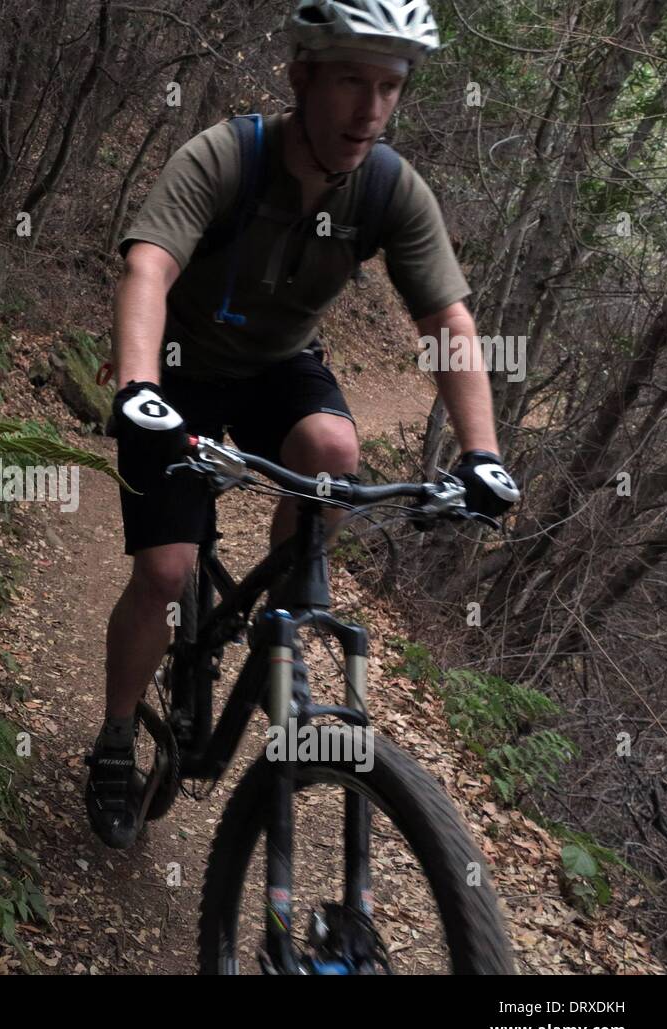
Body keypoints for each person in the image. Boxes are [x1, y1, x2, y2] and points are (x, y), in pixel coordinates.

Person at [86, 0, 521, 848]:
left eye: (389, 86)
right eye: (352, 80)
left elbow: (449, 324)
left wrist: (483, 454)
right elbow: (150, 265)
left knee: (334, 449)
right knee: (167, 570)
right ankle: (111, 741)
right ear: (301, 77)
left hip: (279, 366)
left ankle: (283, 615)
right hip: (180, 371)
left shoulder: (390, 187)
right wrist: (139, 388)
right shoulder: (226, 155)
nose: (370, 109)